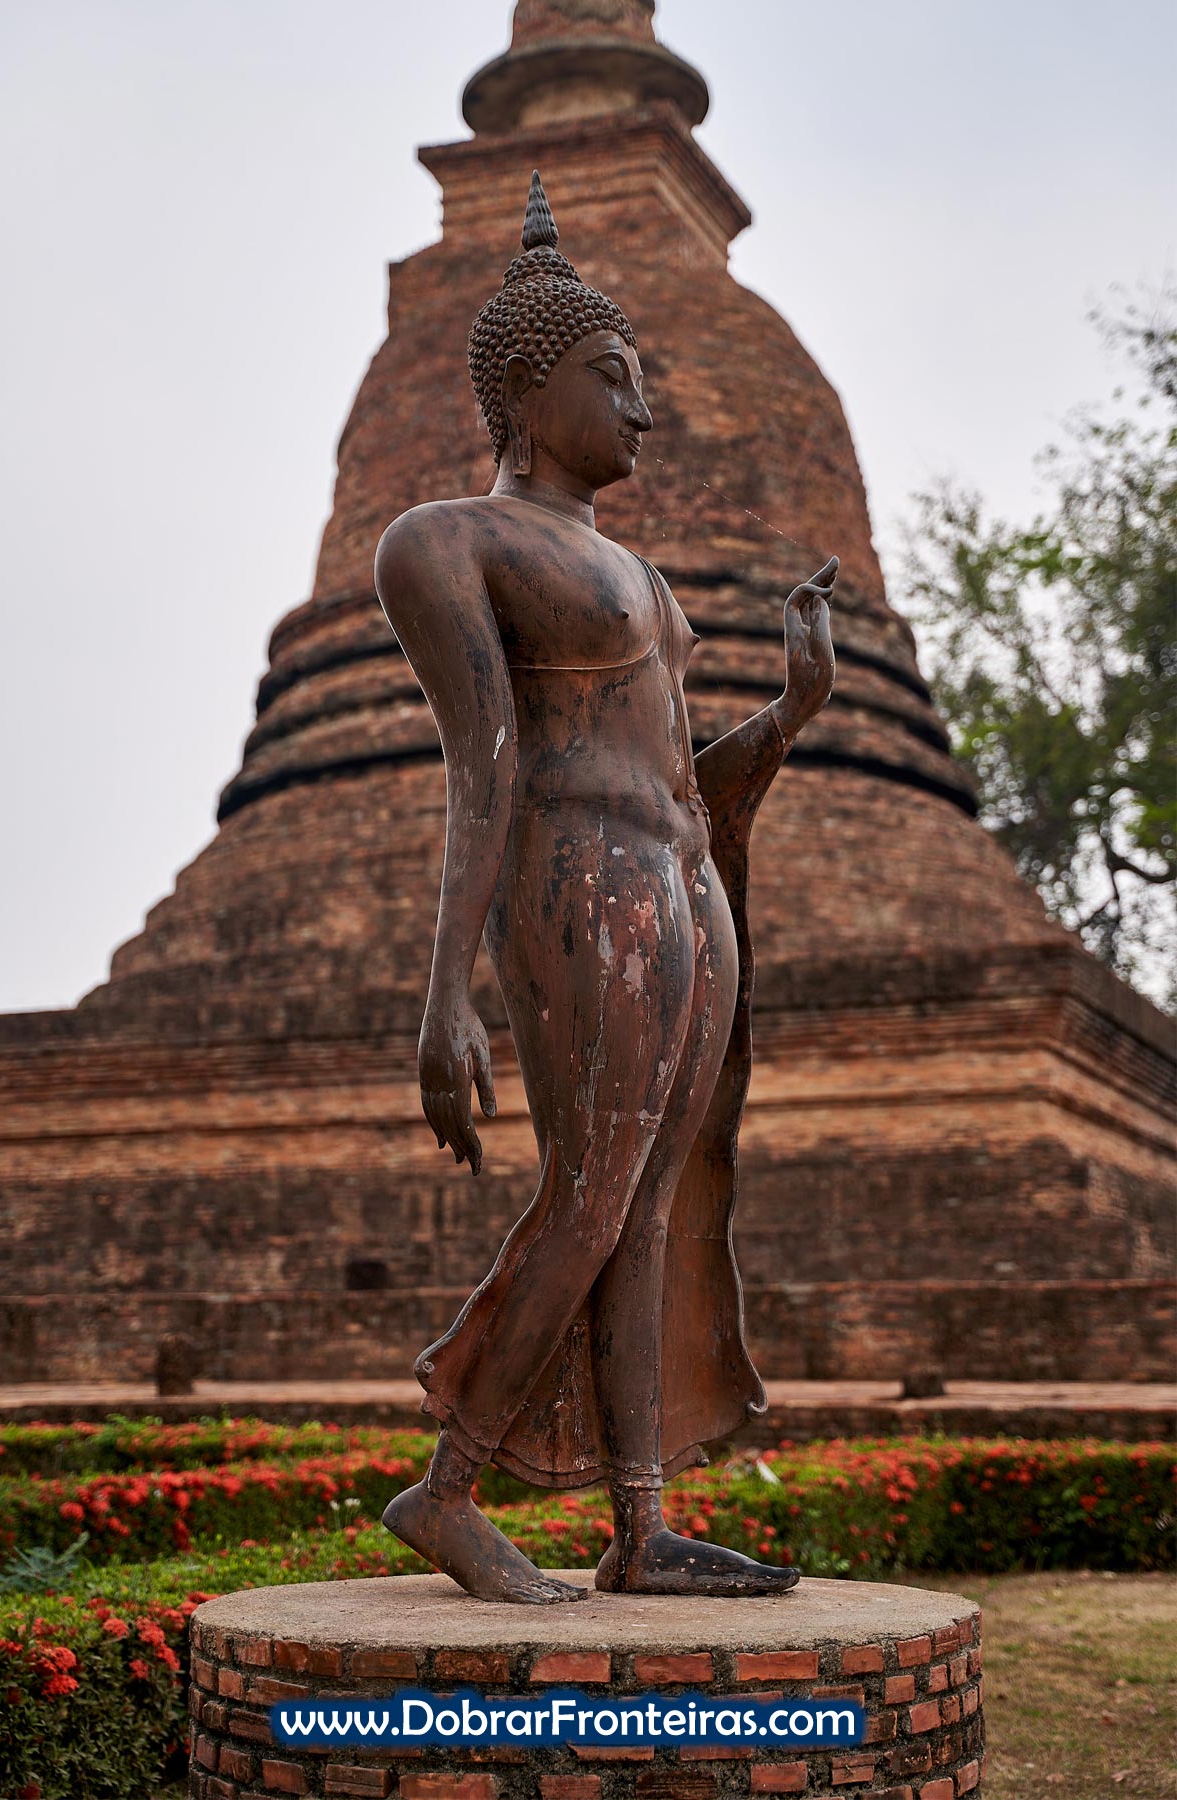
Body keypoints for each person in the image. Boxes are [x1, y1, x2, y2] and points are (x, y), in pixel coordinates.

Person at [374, 173, 836, 1603]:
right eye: (614, 378)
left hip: (683, 876)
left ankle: (641, 1527)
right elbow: (484, 768)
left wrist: (798, 706)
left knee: (647, 1200)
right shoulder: (448, 538)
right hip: (577, 874)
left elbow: (691, 776)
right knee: (587, 1193)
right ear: (528, 389)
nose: (642, 411)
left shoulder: (640, 571)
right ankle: (446, 1495)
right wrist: (445, 995)